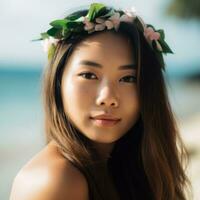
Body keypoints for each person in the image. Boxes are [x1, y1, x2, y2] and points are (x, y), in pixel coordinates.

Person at [9, 3, 191, 200]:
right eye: (88, 75)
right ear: (58, 82)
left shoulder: (133, 166)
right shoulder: (55, 181)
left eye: (128, 78)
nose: (108, 98)